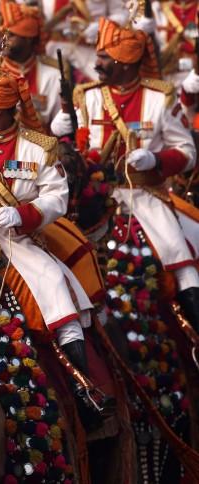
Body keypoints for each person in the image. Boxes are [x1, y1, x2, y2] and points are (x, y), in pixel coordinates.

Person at [0, 62, 99, 422]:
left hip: (18, 241)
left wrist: (23, 215)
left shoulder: (39, 147)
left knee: (56, 287)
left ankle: (82, 387)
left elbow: (57, 197)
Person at [51, 17, 199, 329]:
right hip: (91, 196)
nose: (98, 62)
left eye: (105, 57)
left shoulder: (161, 98)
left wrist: (156, 160)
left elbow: (187, 153)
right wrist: (59, 131)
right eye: (99, 55)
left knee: (180, 259)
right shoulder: (86, 96)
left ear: (127, 62)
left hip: (143, 196)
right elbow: (70, 155)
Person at [0, 0, 65, 127]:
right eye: (4, 34)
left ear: (28, 39)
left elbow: (59, 125)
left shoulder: (52, 76)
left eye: (11, 36)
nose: (4, 40)